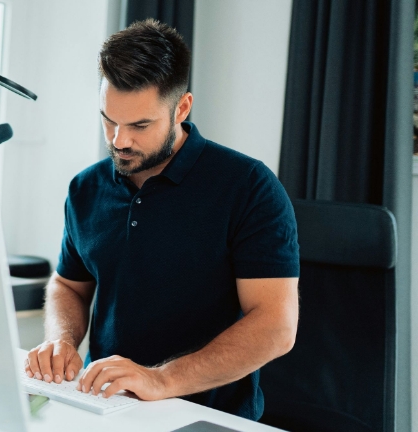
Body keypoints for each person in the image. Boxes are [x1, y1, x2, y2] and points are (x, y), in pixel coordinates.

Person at [23, 19, 300, 420]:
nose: (119, 140)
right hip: (103, 405)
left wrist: (161, 380)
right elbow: (69, 284)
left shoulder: (249, 187)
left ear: (181, 108)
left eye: (139, 125)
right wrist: (61, 340)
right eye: (108, 120)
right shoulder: (86, 188)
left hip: (206, 416)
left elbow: (276, 326)